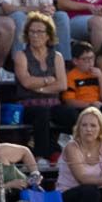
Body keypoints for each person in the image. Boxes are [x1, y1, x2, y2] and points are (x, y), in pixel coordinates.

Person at [12, 11, 69, 162]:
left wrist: (40, 88)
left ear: (48, 35)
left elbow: (62, 84)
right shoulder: (21, 56)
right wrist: (49, 80)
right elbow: (26, 82)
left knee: (71, 114)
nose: (35, 35)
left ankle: (66, 151)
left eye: (39, 31)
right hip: (28, 105)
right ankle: (41, 156)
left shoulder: (57, 56)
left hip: (53, 103)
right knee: (42, 114)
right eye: (32, 32)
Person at [60, 40, 102, 135]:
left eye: (92, 58)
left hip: (99, 106)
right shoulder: (71, 76)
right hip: (83, 108)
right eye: (85, 59)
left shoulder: (97, 74)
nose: (90, 63)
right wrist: (89, 104)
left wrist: (101, 77)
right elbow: (69, 101)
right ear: (75, 61)